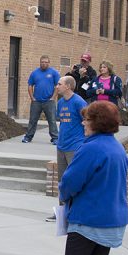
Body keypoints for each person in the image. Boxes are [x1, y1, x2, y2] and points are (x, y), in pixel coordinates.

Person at [58, 101, 128, 255]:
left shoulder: (91, 148)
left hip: (89, 218)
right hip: (112, 219)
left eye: (87, 119)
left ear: (96, 123)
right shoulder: (117, 148)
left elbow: (70, 182)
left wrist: (64, 196)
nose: (83, 123)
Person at [46, 75, 88, 222]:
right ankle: (62, 213)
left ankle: (76, 213)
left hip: (74, 147)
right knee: (62, 182)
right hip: (62, 146)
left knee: (75, 180)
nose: (56, 87)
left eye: (59, 84)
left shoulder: (78, 102)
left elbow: (87, 120)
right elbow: (63, 122)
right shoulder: (61, 102)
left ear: (68, 86)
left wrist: (84, 142)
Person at [23, 56, 60, 144]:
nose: (44, 64)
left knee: (52, 120)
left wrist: (53, 97)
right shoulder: (34, 73)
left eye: (46, 62)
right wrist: (32, 98)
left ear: (49, 63)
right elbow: (30, 85)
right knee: (32, 120)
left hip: (49, 101)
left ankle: (55, 138)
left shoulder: (54, 72)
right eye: (42, 62)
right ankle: (28, 137)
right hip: (37, 101)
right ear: (40, 62)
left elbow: (57, 86)